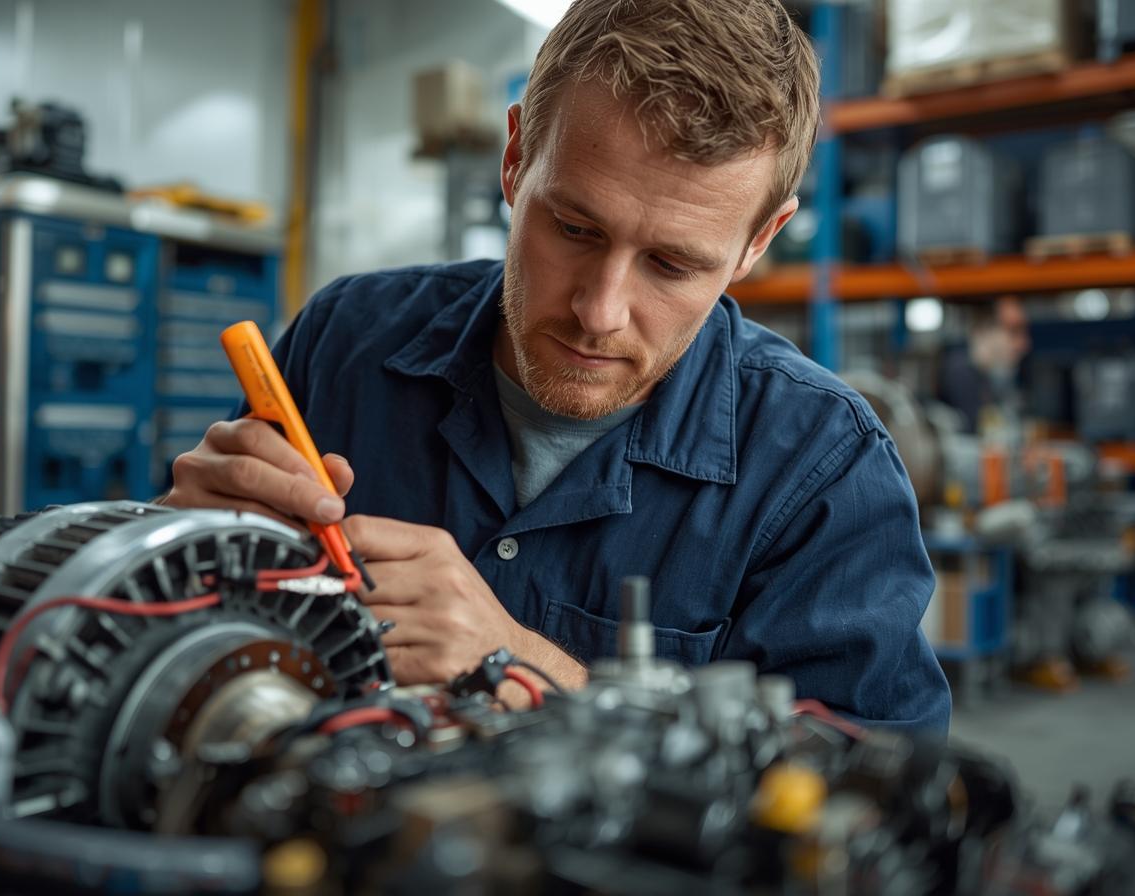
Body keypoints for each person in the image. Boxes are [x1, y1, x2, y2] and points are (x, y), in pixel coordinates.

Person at [163, 0, 949, 731]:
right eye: (574, 228)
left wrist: (532, 675)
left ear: (758, 242)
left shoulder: (824, 471)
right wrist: (174, 546)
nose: (600, 311)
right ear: (515, 159)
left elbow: (868, 794)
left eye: (672, 265)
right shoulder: (344, 342)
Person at [936, 297, 1031, 436]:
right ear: (984, 329)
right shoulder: (959, 373)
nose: (1023, 344)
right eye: (1013, 332)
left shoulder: (988, 377)